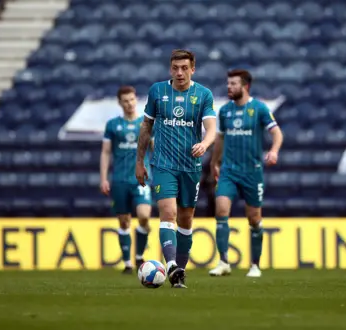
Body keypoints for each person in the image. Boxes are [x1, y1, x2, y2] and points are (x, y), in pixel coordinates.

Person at [135, 49, 217, 289]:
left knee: (186, 220)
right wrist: (139, 161)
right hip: (163, 164)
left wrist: (204, 143)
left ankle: (178, 274)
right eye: (175, 68)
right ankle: (170, 265)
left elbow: (211, 127)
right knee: (168, 213)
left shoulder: (203, 95)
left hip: (190, 167)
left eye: (184, 68)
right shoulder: (157, 91)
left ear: (193, 69)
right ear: (170, 68)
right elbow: (146, 127)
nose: (179, 72)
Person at [209, 69, 283, 278]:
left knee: (254, 219)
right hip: (229, 171)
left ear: (245, 86)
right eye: (228, 83)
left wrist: (274, 151)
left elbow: (277, 133)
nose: (229, 87)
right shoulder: (224, 111)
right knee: (221, 210)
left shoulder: (259, 108)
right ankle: (223, 262)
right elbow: (220, 139)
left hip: (252, 172)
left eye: (233, 84)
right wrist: (215, 162)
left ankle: (255, 265)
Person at [100, 86, 152, 274]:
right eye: (125, 101)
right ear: (120, 103)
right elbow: (106, 152)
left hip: (141, 179)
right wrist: (104, 178)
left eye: (132, 99)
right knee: (124, 221)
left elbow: (156, 149)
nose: (129, 103)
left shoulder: (145, 124)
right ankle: (128, 263)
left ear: (136, 99)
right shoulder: (113, 125)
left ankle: (139, 255)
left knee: (144, 216)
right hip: (120, 179)